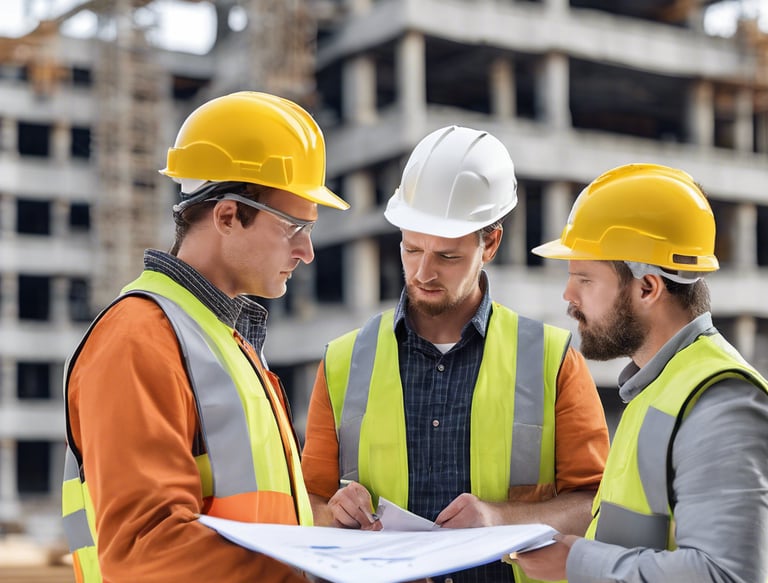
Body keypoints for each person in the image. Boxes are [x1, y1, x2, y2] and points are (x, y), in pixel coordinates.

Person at [61, 91, 349, 582]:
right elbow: (147, 550)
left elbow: (249, 517)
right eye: (295, 227)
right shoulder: (138, 339)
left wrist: (328, 528)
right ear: (227, 217)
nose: (307, 251)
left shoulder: (222, 340)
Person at [301, 125, 610, 582]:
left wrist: (499, 520)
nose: (423, 272)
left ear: (490, 243)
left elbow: (594, 505)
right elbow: (308, 499)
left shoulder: (552, 360)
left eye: (447, 256)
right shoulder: (344, 362)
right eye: (412, 249)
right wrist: (333, 514)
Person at [514, 163, 768, 582]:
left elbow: (727, 575)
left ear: (648, 287)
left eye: (584, 279)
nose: (568, 295)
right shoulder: (655, 387)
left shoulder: (721, 403)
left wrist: (576, 561)